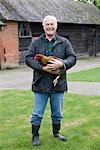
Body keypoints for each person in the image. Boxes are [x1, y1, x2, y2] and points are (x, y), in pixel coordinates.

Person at [25, 15, 77, 146]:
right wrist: (42, 68)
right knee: (37, 113)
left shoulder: (64, 42)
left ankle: (56, 132)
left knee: (57, 113)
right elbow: (28, 58)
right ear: (43, 26)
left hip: (58, 83)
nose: (49, 26)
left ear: (56, 26)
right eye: (47, 24)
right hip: (40, 83)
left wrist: (62, 64)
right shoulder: (36, 42)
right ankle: (35, 135)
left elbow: (73, 57)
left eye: (52, 24)